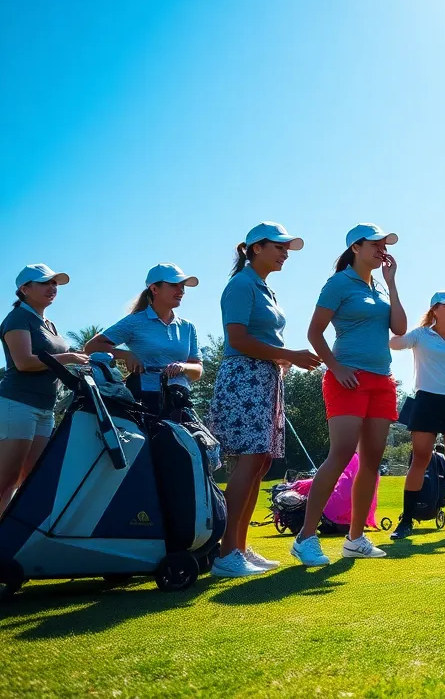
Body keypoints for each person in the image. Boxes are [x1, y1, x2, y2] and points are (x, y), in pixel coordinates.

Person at [209, 223, 322, 577]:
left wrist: (282, 360)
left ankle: (240, 547)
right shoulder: (241, 284)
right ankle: (226, 553)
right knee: (250, 459)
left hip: (265, 378)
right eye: (279, 247)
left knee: (259, 464)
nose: (285, 253)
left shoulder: (264, 289)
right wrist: (287, 353)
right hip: (244, 376)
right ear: (256, 248)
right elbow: (238, 339)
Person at [291, 224, 407, 567]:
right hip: (348, 380)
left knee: (371, 460)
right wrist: (335, 367)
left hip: (382, 381)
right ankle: (305, 537)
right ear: (355, 247)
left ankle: (355, 539)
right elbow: (314, 331)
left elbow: (399, 328)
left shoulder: (380, 289)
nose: (381, 249)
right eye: (375, 244)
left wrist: (392, 283)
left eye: (384, 244)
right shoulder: (339, 283)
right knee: (341, 454)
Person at [0, 265, 89, 514]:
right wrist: (69, 358)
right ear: (24, 289)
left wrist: (79, 361)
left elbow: (54, 361)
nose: (52, 288)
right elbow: (24, 362)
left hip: (44, 409)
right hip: (17, 405)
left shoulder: (48, 323)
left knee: (30, 482)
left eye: (54, 283)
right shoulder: (18, 317)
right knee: (6, 482)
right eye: (44, 283)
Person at [389, 292, 445, 540]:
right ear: (435, 309)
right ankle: (406, 520)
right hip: (426, 399)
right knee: (420, 459)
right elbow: (395, 343)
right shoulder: (420, 334)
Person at [84, 263, 203, 414]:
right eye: (174, 285)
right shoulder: (135, 321)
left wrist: (182, 366)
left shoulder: (188, 327)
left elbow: (197, 370)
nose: (181, 291)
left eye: (182, 286)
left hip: (179, 399)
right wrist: (126, 355)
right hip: (143, 400)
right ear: (154, 289)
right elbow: (91, 347)